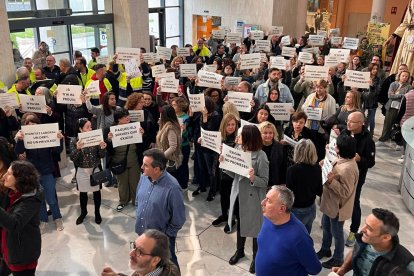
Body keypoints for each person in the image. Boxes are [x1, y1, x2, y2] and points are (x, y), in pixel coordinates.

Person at [223, 125, 269, 273]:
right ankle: (240, 250)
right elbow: (234, 174)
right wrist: (225, 163)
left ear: (248, 137)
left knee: (256, 229)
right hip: (238, 194)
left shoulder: (261, 156)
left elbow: (265, 181)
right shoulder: (238, 150)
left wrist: (252, 177)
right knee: (241, 224)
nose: (238, 137)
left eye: (241, 135)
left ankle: (256, 258)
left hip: (253, 198)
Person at [135, 149, 186, 268]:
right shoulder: (143, 177)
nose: (142, 167)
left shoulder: (173, 188)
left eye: (146, 165)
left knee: (169, 265)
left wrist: (165, 236)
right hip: (143, 234)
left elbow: (179, 218)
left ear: (156, 169)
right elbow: (138, 200)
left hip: (161, 241)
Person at [256, 185, 322, 276]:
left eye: (269, 201)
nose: (262, 202)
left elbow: (315, 268)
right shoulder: (269, 218)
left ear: (282, 208)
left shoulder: (299, 237)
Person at [317, 135, 359, 269]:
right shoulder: (342, 159)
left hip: (337, 208)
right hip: (330, 204)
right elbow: (334, 164)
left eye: (336, 146)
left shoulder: (348, 168)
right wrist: (325, 164)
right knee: (325, 226)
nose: (334, 147)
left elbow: (345, 192)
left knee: (337, 233)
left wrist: (331, 181)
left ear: (341, 149)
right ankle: (325, 248)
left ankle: (338, 258)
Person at [332, 208, 414, 275]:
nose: (363, 230)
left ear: (385, 237)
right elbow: (354, 252)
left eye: (370, 229)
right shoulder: (364, 240)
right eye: (365, 224)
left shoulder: (407, 264)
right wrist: (344, 268)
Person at [0, 160, 43, 275]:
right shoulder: (11, 191)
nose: (4, 176)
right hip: (8, 249)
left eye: (9, 174)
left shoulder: (31, 200)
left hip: (22, 256)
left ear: (20, 179)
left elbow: (14, 223)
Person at [340, 111, 376, 247]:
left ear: (362, 123)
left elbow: (371, 162)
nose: (348, 123)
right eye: (348, 120)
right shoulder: (345, 132)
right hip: (341, 173)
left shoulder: (368, 140)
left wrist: (360, 159)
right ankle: (335, 222)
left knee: (354, 202)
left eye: (352, 121)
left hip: (357, 177)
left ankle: (353, 231)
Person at [70, 118, 106, 224]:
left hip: (95, 169)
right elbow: (73, 158)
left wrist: (102, 148)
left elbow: (102, 156)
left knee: (96, 192)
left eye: (91, 126)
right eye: (87, 127)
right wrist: (77, 148)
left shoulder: (96, 138)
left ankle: (97, 212)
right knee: (83, 193)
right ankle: (83, 212)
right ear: (81, 129)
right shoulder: (74, 140)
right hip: (82, 170)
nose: (91, 129)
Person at [106, 108, 142, 212]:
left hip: (134, 160)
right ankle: (123, 201)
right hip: (119, 161)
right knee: (122, 183)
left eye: (127, 115)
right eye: (124, 116)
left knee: (135, 182)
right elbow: (107, 149)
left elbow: (141, 145)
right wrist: (108, 140)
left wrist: (142, 135)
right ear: (118, 119)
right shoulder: (111, 130)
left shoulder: (135, 127)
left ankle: (136, 201)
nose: (127, 118)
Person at [101, 229, 180, 276]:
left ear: (155, 261)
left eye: (140, 252)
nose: (131, 254)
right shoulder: (145, 269)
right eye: (134, 246)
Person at [286, 139, 322, 233]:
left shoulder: (292, 170)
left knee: (294, 237)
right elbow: (319, 191)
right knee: (306, 235)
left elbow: (289, 194)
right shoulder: (317, 168)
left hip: (297, 209)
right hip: (311, 208)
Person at [211, 113, 238, 233]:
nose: (231, 127)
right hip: (220, 172)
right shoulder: (220, 138)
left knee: (232, 197)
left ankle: (231, 219)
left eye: (233, 124)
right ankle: (224, 215)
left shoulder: (238, 139)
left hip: (231, 174)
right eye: (228, 125)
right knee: (223, 196)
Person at [377, 70, 413, 146]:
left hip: (402, 109)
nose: (404, 78)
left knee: (399, 125)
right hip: (391, 107)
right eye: (403, 76)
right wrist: (401, 95)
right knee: (387, 124)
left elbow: (407, 98)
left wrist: (396, 95)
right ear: (399, 76)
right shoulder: (393, 84)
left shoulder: (409, 87)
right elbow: (390, 96)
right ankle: (383, 139)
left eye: (406, 76)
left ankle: (398, 142)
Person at [385, 0, 414, 76]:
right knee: (403, 60)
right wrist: (393, 36)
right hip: (407, 36)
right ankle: (399, 81)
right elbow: (405, 22)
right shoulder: (411, 2)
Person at [156, 105, 182, 181]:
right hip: (165, 158)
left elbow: (173, 146)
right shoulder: (165, 125)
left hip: (169, 160)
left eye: (161, 113)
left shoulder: (170, 128)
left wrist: (162, 156)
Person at [258, 121, 286, 186]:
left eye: (271, 133)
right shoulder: (255, 147)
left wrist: (283, 183)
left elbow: (283, 167)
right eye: (265, 133)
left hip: (275, 183)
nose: (268, 135)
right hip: (259, 183)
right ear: (260, 134)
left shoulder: (280, 147)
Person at [361, 63, 381, 137]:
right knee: (362, 117)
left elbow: (378, 91)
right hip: (363, 100)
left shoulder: (378, 79)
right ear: (370, 69)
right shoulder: (365, 76)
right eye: (373, 69)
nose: (375, 70)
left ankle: (371, 133)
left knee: (371, 119)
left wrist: (372, 86)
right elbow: (361, 88)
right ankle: (364, 131)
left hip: (373, 101)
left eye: (376, 69)